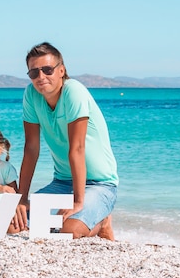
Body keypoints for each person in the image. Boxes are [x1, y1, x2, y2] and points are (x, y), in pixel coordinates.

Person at [15, 42, 119, 240]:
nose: (41, 77)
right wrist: (22, 198)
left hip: (99, 184)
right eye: (34, 73)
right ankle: (85, 213)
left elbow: (77, 148)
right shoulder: (31, 94)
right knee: (16, 224)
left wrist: (78, 202)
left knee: (69, 231)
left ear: (61, 70)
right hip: (62, 182)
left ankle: (103, 221)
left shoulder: (74, 92)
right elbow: (31, 149)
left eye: (47, 70)